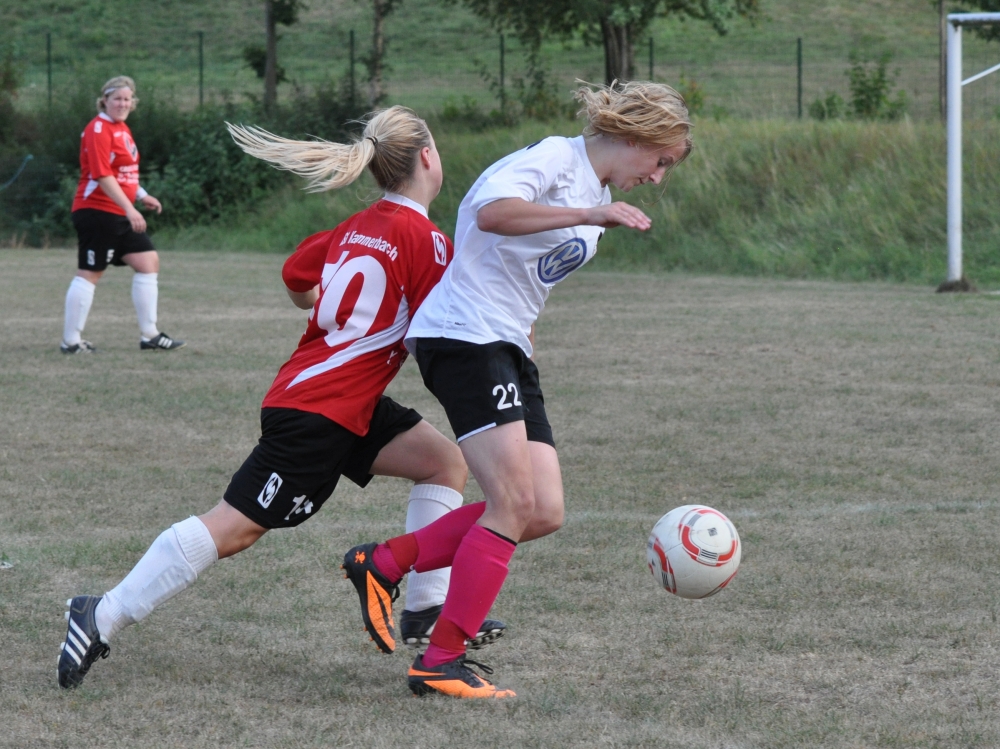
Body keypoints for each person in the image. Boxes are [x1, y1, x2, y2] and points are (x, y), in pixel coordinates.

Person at [57, 106, 504, 689]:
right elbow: (439, 337)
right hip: (318, 412)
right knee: (234, 528)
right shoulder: (429, 242)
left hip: (340, 401)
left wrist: (334, 318)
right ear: (427, 157)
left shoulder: (354, 226)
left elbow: (297, 276)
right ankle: (102, 613)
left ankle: (425, 606)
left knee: (444, 463)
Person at [341, 81, 693, 699]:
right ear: (636, 135)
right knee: (511, 503)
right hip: (465, 337)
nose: (658, 176)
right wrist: (589, 215)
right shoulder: (557, 159)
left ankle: (386, 562)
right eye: (660, 160)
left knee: (543, 509)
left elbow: (523, 271)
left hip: (504, 346)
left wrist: (527, 328)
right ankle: (440, 660)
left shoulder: (597, 194)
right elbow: (491, 214)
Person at [61, 75, 184, 354]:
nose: (123, 103)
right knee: (91, 273)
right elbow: (102, 175)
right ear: (104, 100)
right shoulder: (98, 129)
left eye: (127, 99)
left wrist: (141, 195)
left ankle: (150, 335)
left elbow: (123, 173)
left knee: (147, 262)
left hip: (118, 212)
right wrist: (130, 210)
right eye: (117, 98)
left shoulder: (122, 128)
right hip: (97, 211)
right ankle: (70, 341)